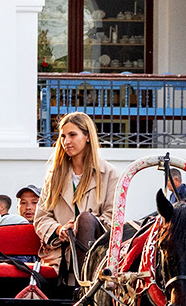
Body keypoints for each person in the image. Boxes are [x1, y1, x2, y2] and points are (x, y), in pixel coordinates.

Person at [33, 112, 122, 287]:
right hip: (60, 257)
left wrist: (82, 227)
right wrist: (59, 229)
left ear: (87, 136)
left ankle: (84, 287)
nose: (66, 141)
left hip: (97, 257)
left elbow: (114, 220)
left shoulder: (110, 174)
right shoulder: (54, 175)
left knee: (86, 220)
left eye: (72, 135)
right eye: (63, 136)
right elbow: (41, 218)